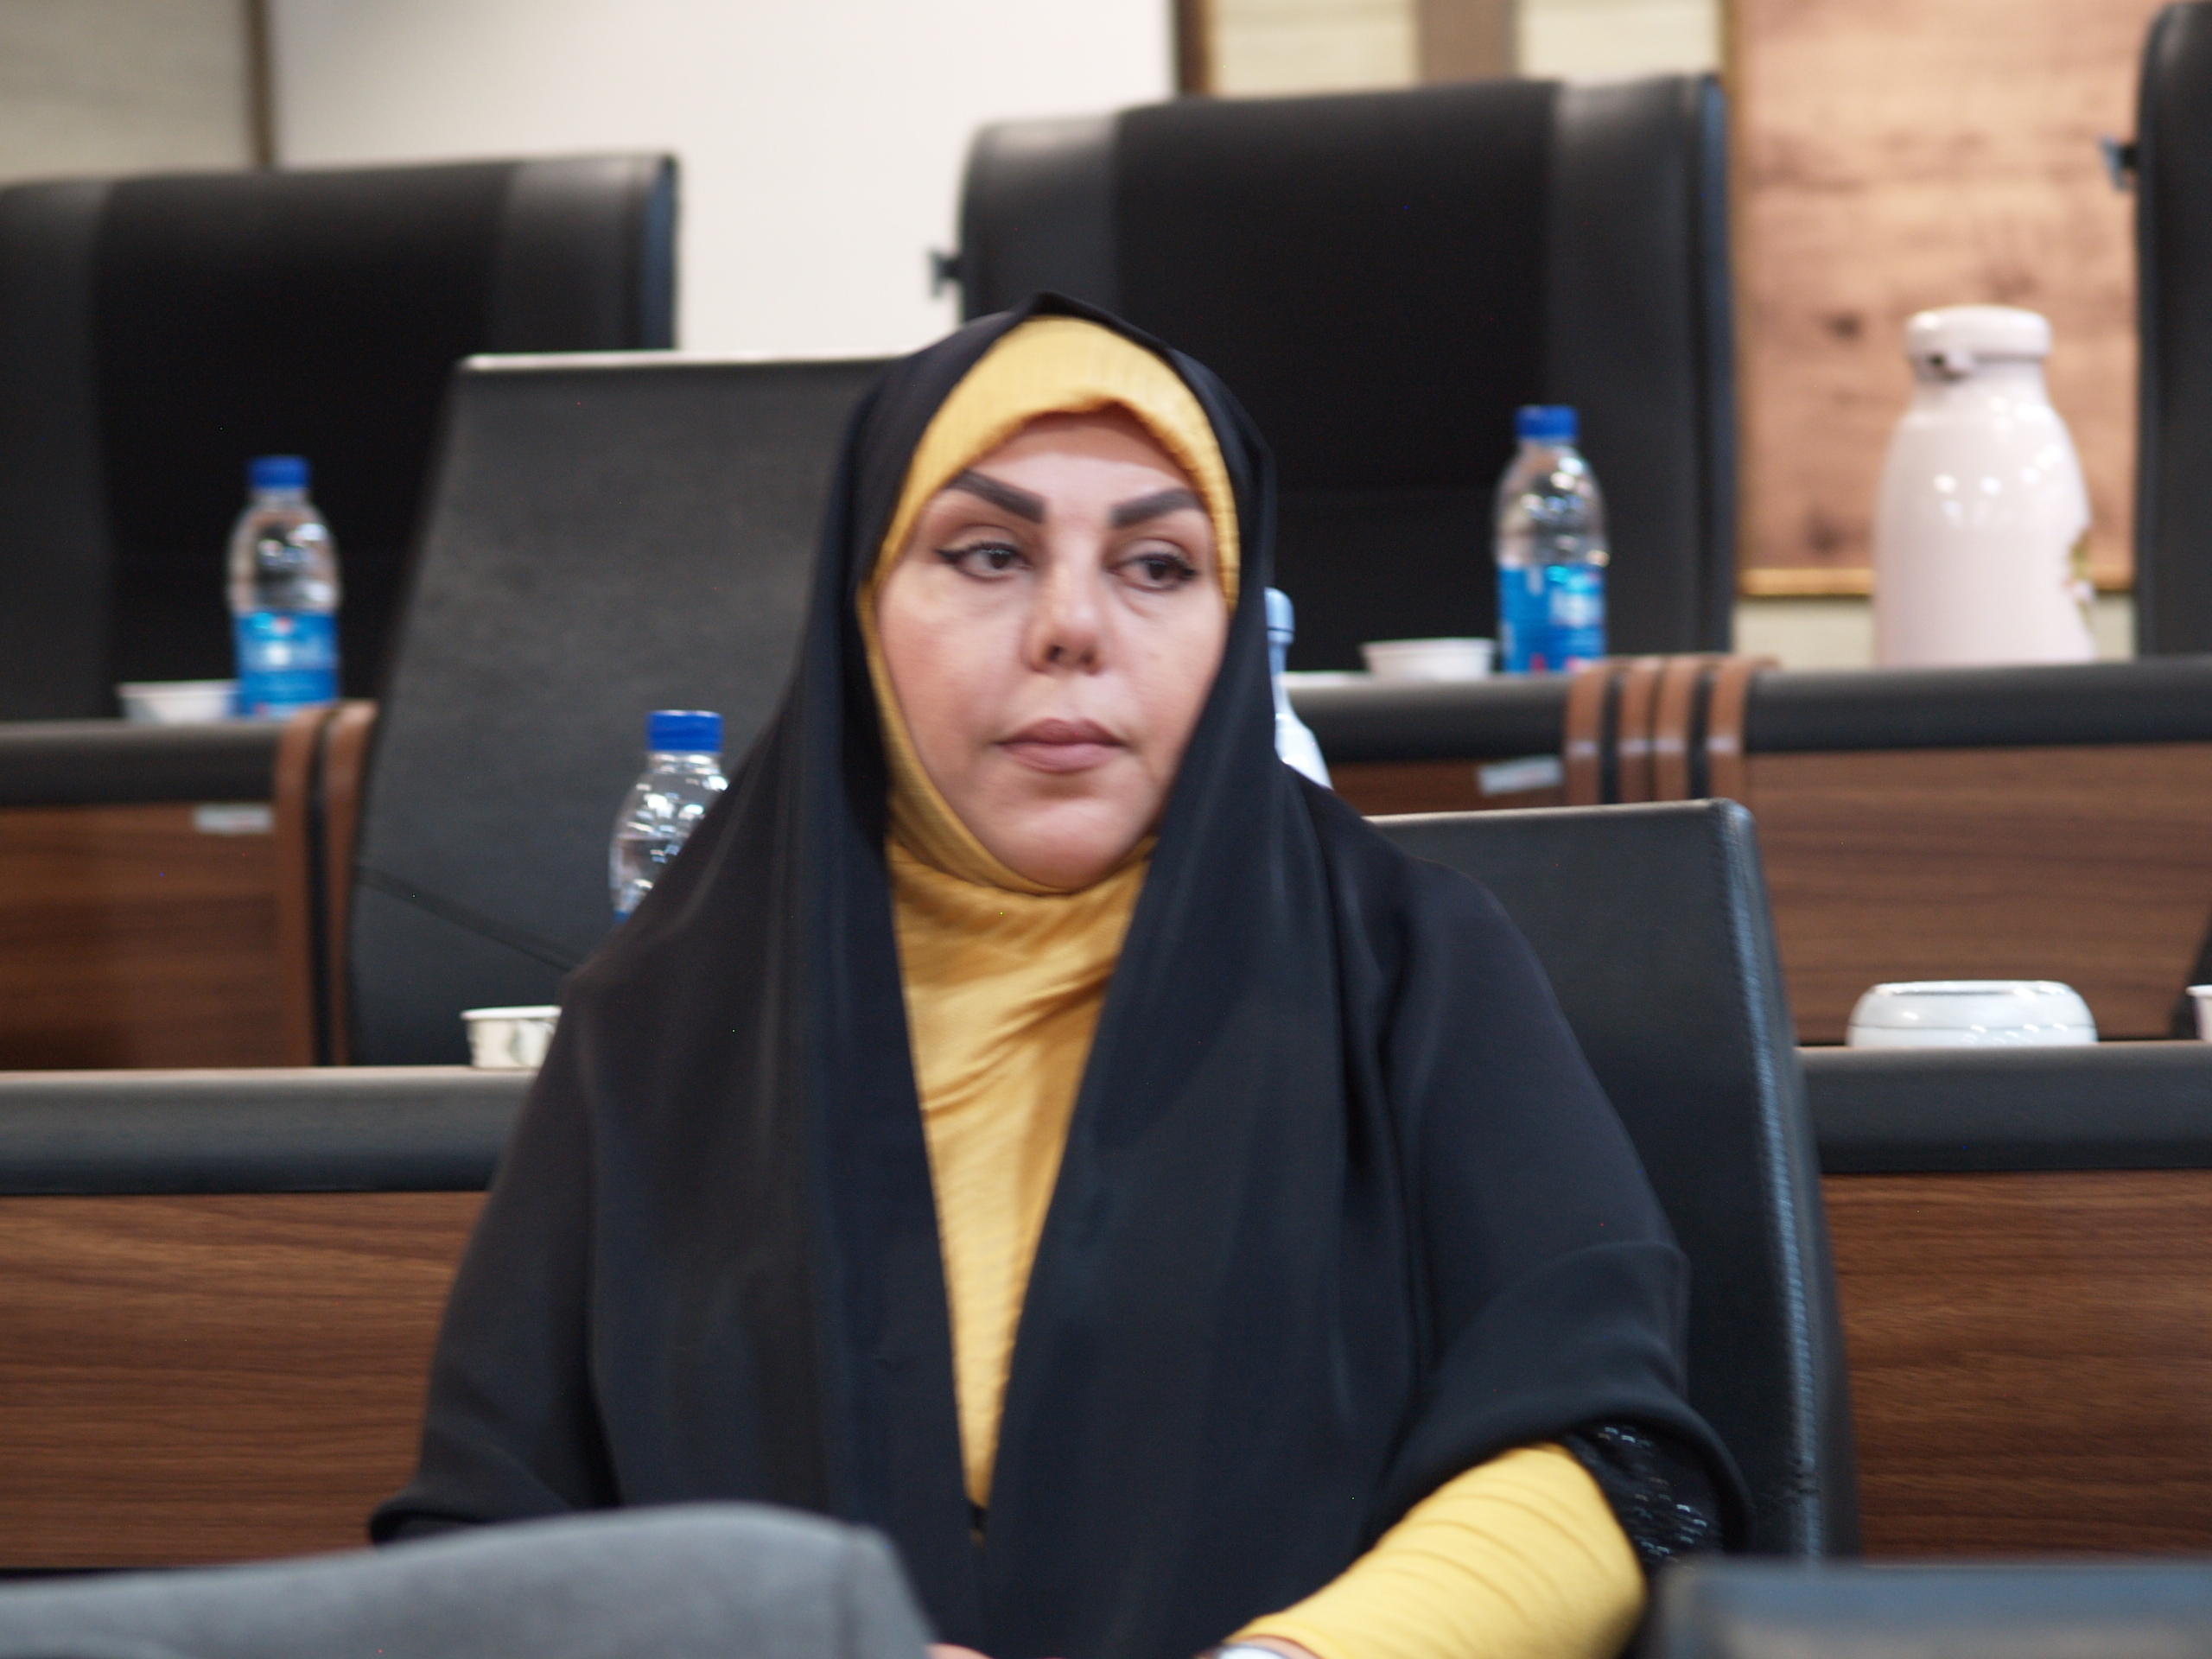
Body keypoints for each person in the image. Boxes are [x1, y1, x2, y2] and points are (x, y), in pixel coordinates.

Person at [373, 297, 1742, 1659]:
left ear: (1235, 624)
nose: (1073, 626)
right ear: (860, 606)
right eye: (988, 554)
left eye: (1157, 565)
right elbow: (481, 1543)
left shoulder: (1410, 967)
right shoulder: (657, 1025)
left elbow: (1610, 1457)